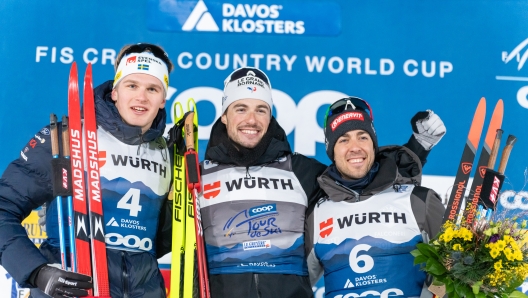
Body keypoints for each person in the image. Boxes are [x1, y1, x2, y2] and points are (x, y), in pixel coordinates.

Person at [197, 67, 446, 298]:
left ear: (270, 116)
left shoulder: (302, 172)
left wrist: (417, 148)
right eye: (241, 108)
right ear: (224, 116)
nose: (251, 119)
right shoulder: (198, 176)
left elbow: (358, 176)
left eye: (261, 109)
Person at [0, 43, 174, 298]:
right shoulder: (68, 138)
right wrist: (37, 271)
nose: (141, 97)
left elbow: (160, 238)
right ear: (115, 92)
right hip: (71, 288)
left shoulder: (167, 153)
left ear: (162, 100)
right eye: (132, 85)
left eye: (152, 89)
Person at [304, 97, 446, 298]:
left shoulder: (418, 201)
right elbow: (293, 286)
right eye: (344, 140)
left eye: (363, 137)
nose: (355, 147)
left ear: (373, 145)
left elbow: (455, 275)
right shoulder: (317, 213)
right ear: (331, 151)